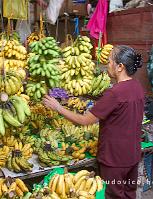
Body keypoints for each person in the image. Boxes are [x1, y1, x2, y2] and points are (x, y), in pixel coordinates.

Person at [43, 45, 144, 199]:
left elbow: (85, 120)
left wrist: (58, 108)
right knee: (129, 194)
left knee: (113, 195)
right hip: (133, 155)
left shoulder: (115, 93)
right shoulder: (137, 87)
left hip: (115, 159)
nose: (107, 66)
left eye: (109, 62)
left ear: (120, 67)